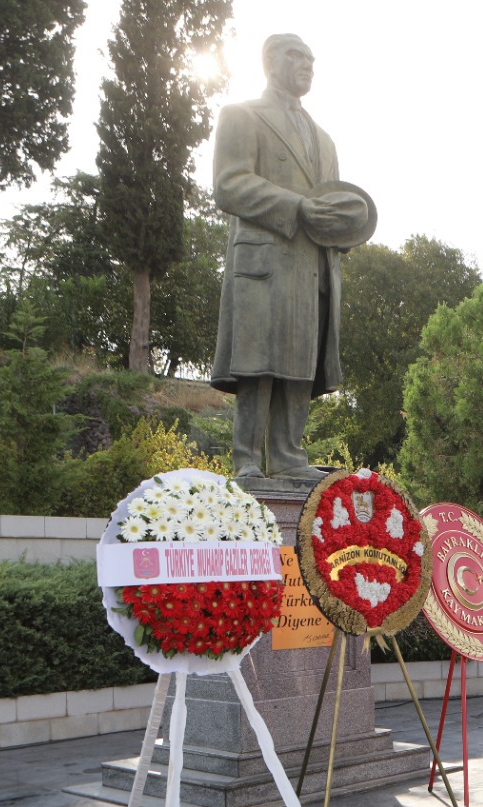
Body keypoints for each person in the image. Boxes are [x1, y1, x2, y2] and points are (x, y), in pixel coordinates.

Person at [211, 35, 363, 480]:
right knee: (258, 362)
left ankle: (288, 455)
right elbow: (229, 184)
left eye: (312, 59)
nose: (308, 65)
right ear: (270, 61)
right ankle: (247, 460)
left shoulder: (325, 139)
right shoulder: (242, 115)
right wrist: (296, 207)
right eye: (298, 56)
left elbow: (331, 202)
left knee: (300, 360)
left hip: (313, 264)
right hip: (265, 259)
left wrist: (345, 228)